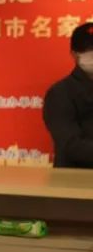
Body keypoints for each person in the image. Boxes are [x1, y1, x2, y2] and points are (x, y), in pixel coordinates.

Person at [44, 23, 93, 168]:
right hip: (75, 176)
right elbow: (70, 145)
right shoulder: (60, 93)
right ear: (74, 55)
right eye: (89, 50)